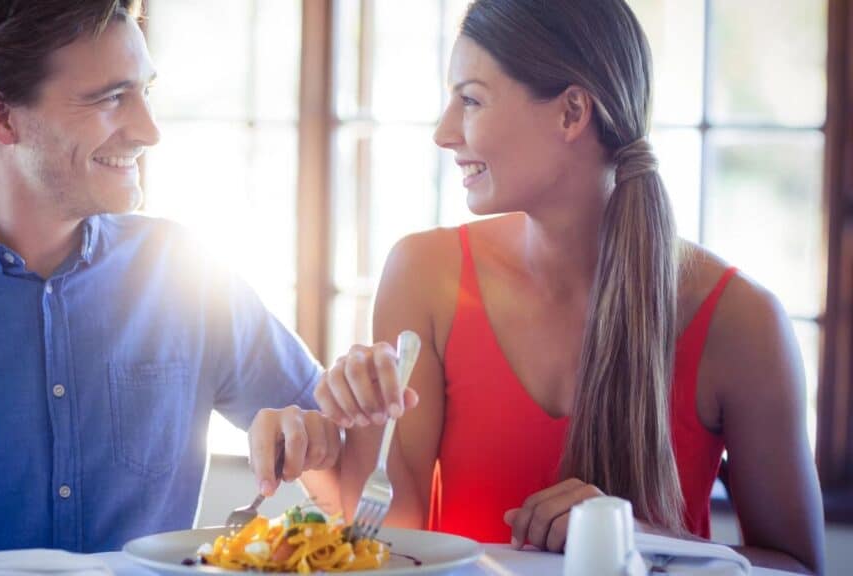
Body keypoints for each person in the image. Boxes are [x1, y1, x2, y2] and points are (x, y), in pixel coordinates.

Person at [248, 0, 824, 573]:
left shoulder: (742, 322)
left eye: (470, 99)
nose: (445, 133)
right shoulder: (424, 276)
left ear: (571, 112)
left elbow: (800, 566)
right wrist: (339, 440)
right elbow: (392, 543)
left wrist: (640, 540)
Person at [0, 1, 323, 574]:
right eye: (111, 98)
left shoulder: (188, 273)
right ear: (1, 115)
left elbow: (334, 457)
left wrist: (318, 426)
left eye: (144, 91)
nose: (148, 130)